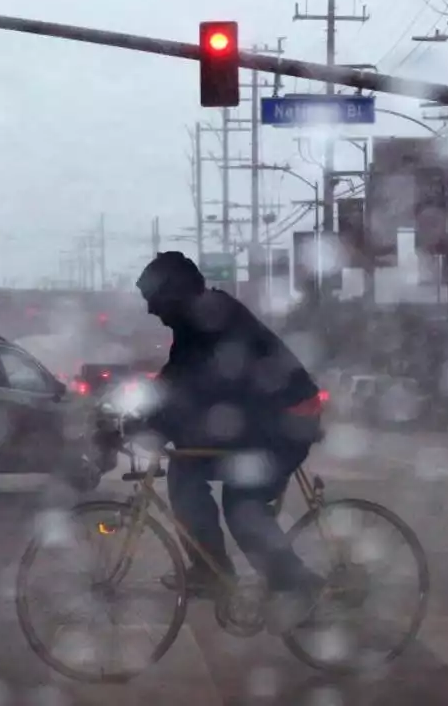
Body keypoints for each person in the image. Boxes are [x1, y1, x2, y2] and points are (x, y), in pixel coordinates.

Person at [133, 251, 326, 634]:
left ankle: (299, 587)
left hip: (287, 421)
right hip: (259, 423)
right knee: (185, 470)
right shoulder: (193, 325)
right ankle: (211, 570)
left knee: (243, 503)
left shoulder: (213, 318)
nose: (152, 312)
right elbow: (173, 382)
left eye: (154, 302)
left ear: (174, 293)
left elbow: (198, 390)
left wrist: (153, 425)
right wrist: (134, 418)